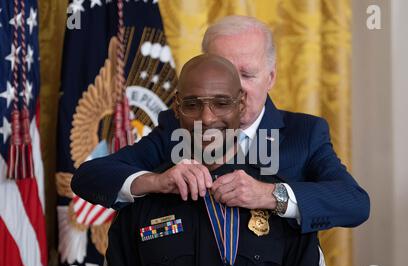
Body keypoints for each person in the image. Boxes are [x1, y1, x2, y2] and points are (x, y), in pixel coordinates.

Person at [72, 15, 370, 234]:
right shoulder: (178, 127)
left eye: (247, 75)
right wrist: (156, 180)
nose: (234, 90)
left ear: (271, 78)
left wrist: (269, 195)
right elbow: (89, 177)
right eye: (223, 72)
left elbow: (355, 203)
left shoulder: (304, 134)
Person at [104, 54, 332, 266]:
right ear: (177, 108)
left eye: (221, 103)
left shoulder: (279, 203)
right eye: (192, 105)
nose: (207, 118)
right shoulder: (141, 204)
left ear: (241, 104)